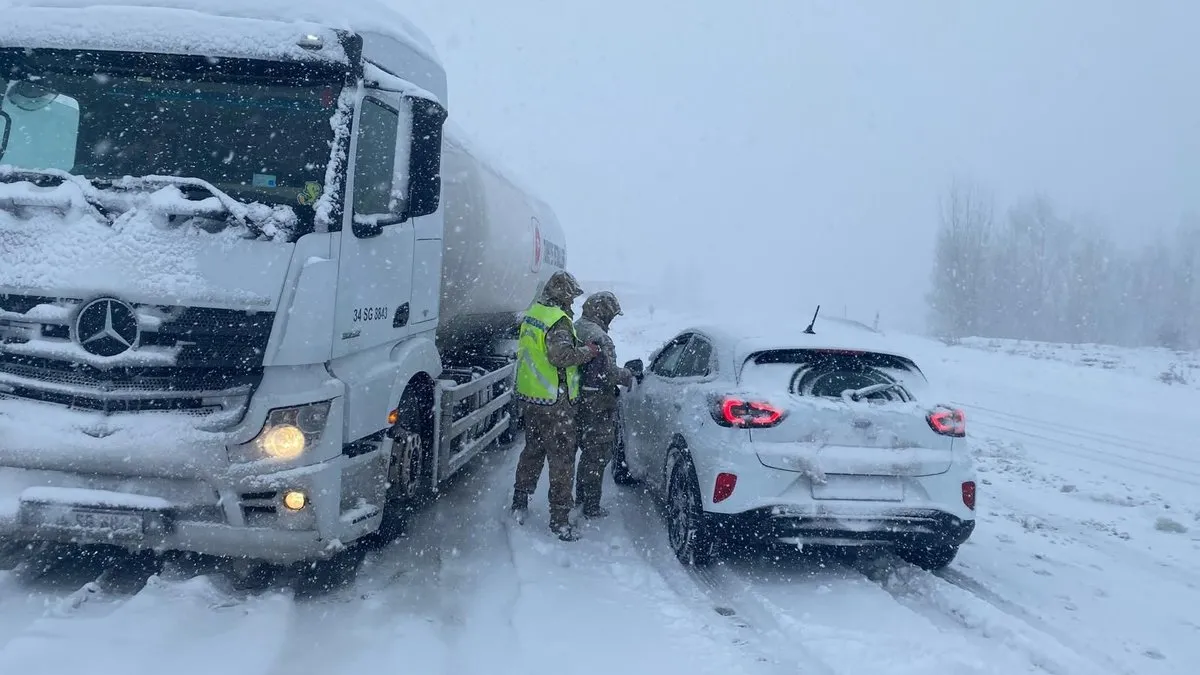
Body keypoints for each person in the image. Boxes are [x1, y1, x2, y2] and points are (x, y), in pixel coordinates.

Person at [510, 270, 598, 541]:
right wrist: (588, 352)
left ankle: (520, 500)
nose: (572, 302)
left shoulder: (534, 313)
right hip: (555, 403)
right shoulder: (558, 321)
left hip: (532, 399)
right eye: (570, 296)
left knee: (533, 451)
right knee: (561, 461)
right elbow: (562, 357)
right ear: (561, 295)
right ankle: (559, 520)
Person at [573, 291, 634, 519]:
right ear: (604, 312)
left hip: (576, 398)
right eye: (612, 315)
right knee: (597, 455)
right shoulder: (601, 337)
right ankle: (590, 506)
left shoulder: (577, 326)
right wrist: (628, 375)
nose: (612, 319)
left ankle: (581, 499)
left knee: (587, 453)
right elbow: (608, 374)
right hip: (597, 404)